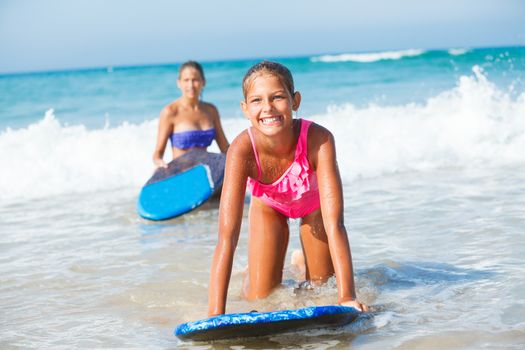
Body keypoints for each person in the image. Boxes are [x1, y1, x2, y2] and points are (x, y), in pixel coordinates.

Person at [207, 61, 368, 316]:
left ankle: (301, 265)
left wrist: (347, 297)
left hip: (313, 207)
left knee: (321, 288)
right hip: (269, 207)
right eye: (257, 100)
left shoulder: (319, 139)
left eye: (278, 97)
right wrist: (215, 315)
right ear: (245, 109)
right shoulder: (241, 150)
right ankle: (255, 270)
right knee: (259, 298)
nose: (268, 108)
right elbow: (227, 237)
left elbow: (334, 223)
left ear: (295, 101)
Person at [152, 61, 229, 168]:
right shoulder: (170, 112)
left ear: (203, 82)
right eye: (186, 80)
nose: (191, 85)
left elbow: (225, 148)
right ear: (179, 83)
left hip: (206, 175)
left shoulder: (211, 110)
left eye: (195, 80)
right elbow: (158, 153)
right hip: (181, 174)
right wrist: (159, 162)